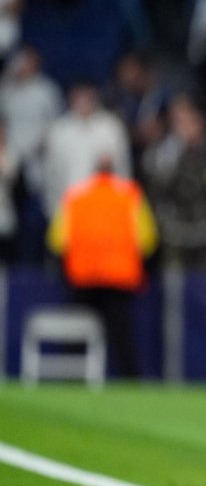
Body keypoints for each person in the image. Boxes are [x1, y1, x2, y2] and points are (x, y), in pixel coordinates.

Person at [47, 156, 157, 377]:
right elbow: (147, 239)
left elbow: (56, 240)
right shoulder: (130, 196)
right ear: (114, 171)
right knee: (122, 335)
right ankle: (130, 380)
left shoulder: (76, 197)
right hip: (119, 277)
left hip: (84, 276)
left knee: (77, 333)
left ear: (94, 171)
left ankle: (71, 378)